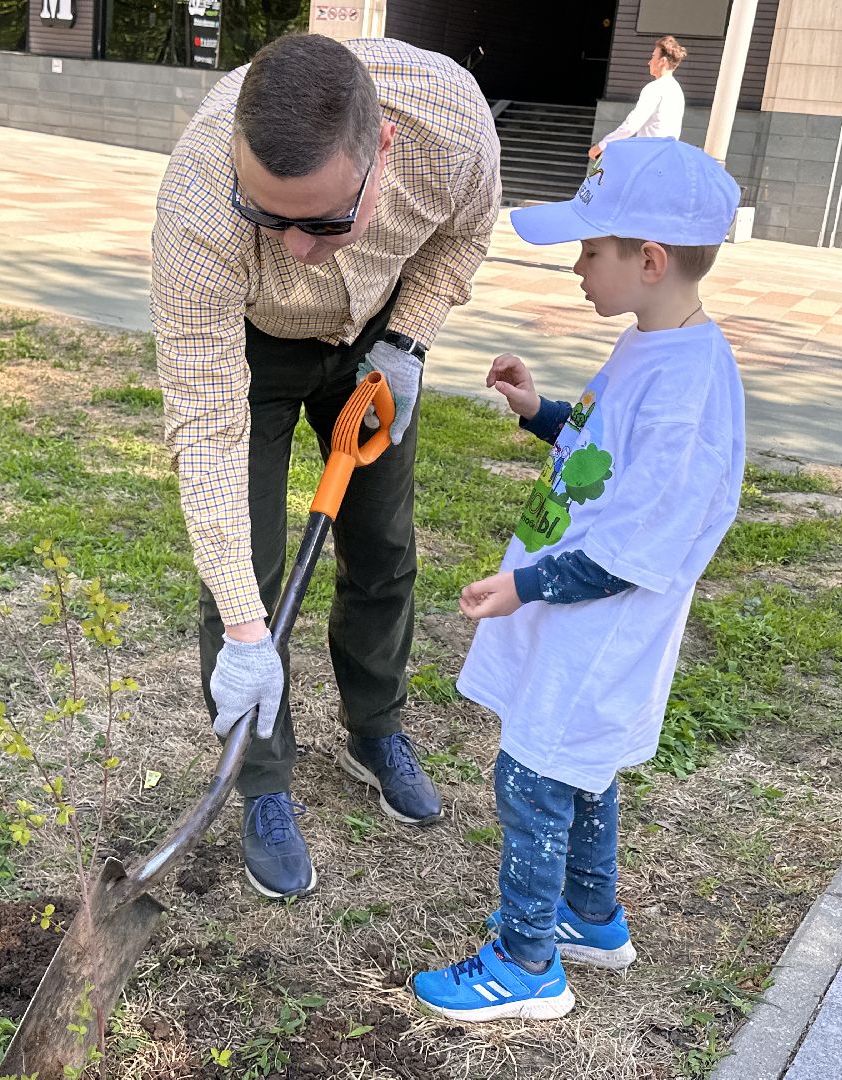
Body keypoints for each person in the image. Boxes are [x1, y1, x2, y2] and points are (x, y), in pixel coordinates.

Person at [151, 33, 501, 899]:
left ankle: (373, 729)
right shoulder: (198, 208)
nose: (298, 248)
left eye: (326, 221)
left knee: (383, 547)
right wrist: (246, 630)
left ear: (384, 149)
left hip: (376, 338)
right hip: (255, 351)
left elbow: (462, 236)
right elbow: (204, 424)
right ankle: (262, 781)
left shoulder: (453, 129)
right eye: (268, 218)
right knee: (248, 574)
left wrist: (409, 338)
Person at [412, 138, 743, 1021]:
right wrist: (540, 413)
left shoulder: (688, 391)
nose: (577, 268)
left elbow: (639, 543)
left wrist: (523, 588)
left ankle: (527, 963)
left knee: (533, 774)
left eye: (591, 251)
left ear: (650, 260)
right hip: (576, 609)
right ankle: (590, 917)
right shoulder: (652, 343)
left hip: (602, 618)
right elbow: (603, 451)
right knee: (582, 764)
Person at [589, 35, 687, 161]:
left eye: (653, 56)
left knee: (603, 171)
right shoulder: (677, 90)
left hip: (648, 158)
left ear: (662, 61)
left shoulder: (655, 88)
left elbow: (631, 125)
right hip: (667, 157)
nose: (649, 62)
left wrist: (602, 145)